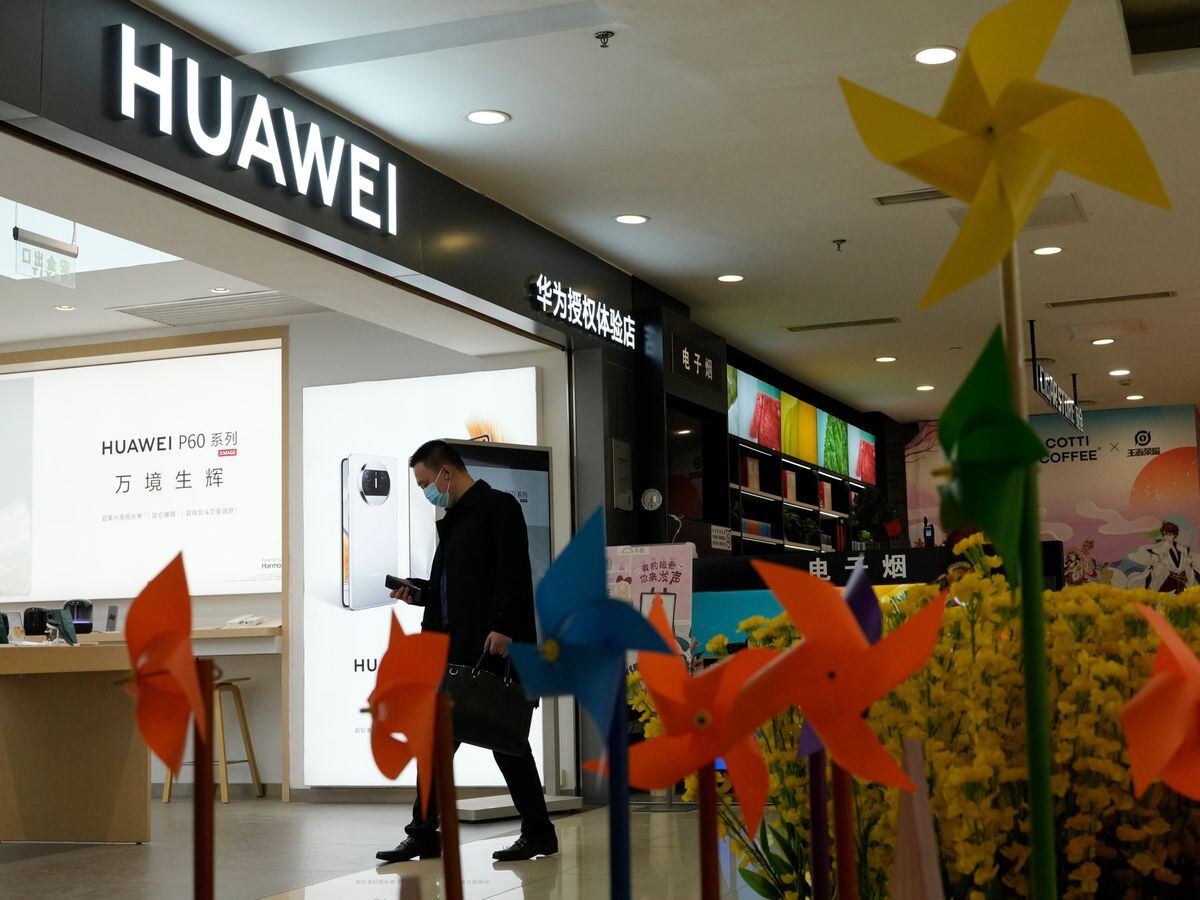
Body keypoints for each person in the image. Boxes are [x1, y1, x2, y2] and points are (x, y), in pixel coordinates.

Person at [376, 440, 557, 864]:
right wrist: (417, 593)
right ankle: (423, 832)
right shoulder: (453, 520)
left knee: (507, 741)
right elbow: (454, 591)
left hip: (495, 647)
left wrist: (503, 628)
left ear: (446, 473)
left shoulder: (499, 508)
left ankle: (538, 832)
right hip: (455, 653)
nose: (426, 492)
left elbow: (514, 574)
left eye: (425, 483)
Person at [1138, 521, 1200, 594]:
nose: (1166, 537)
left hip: (1181, 584)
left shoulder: (1182, 550)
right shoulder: (1159, 551)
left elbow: (1191, 568)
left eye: (1169, 534)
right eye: (1164, 535)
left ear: (1174, 535)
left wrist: (1188, 563)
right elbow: (1151, 571)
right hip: (1166, 583)